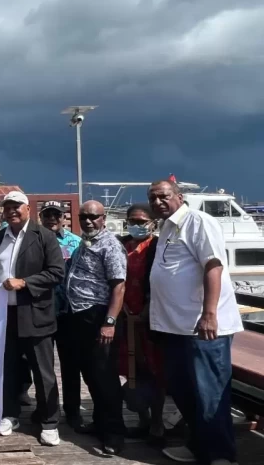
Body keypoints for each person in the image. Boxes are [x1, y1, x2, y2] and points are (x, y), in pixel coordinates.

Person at [148, 180, 243, 465]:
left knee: (210, 393)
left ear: (178, 196)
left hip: (203, 328)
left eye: (163, 196)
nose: (157, 202)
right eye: (152, 198)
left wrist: (210, 314)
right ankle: (199, 445)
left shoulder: (198, 221)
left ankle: (220, 455)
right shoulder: (165, 227)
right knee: (182, 389)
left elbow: (213, 265)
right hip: (174, 327)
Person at [0, 191, 64, 447]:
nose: (12, 210)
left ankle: (49, 422)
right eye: (7, 206)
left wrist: (25, 282)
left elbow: (56, 273)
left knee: (43, 373)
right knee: (8, 369)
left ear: (28, 208)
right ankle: (10, 414)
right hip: (4, 316)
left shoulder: (45, 236)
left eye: (16, 206)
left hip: (35, 314)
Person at [65, 200, 127, 455]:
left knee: (105, 378)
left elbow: (118, 287)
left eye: (94, 217)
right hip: (79, 316)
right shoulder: (86, 241)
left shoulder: (110, 245)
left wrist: (109, 322)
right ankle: (100, 424)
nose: (88, 221)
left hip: (99, 317)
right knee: (91, 376)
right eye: (84, 217)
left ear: (103, 218)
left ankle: (114, 435)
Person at [118, 204, 165, 447]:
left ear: (152, 223)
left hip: (151, 319)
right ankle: (143, 419)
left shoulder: (158, 246)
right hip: (124, 317)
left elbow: (163, 280)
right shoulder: (121, 244)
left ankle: (157, 423)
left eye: (142, 221)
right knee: (131, 370)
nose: (137, 225)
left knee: (154, 371)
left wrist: (148, 307)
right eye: (132, 220)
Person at [39, 200, 83, 429]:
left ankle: (73, 410)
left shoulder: (77, 242)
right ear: (41, 217)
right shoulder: (34, 241)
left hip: (69, 313)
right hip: (43, 311)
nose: (52, 219)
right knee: (42, 366)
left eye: (56, 215)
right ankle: (44, 407)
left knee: (70, 365)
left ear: (64, 218)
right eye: (47, 215)